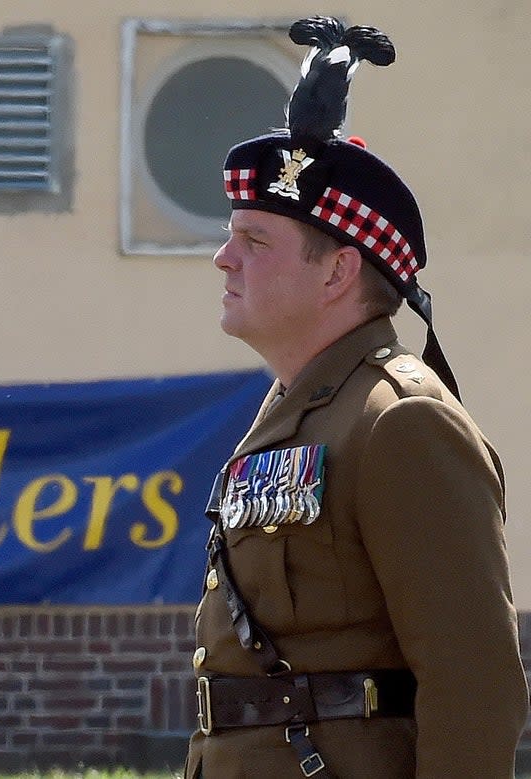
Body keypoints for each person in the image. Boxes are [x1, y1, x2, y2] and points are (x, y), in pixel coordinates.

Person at [185, 16, 529, 778]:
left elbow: (475, 680)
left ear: (339, 273)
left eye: (255, 241)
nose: (222, 257)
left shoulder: (400, 420)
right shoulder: (302, 409)